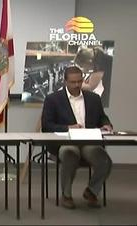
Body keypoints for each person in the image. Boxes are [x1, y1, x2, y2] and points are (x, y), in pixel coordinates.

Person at [41, 66, 112, 209]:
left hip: (88, 141)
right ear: (65, 81)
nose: (77, 85)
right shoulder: (53, 99)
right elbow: (47, 125)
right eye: (73, 82)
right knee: (69, 154)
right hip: (66, 141)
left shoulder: (94, 98)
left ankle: (91, 191)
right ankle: (66, 195)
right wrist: (68, 127)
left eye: (79, 81)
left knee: (105, 161)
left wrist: (106, 124)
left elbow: (102, 118)